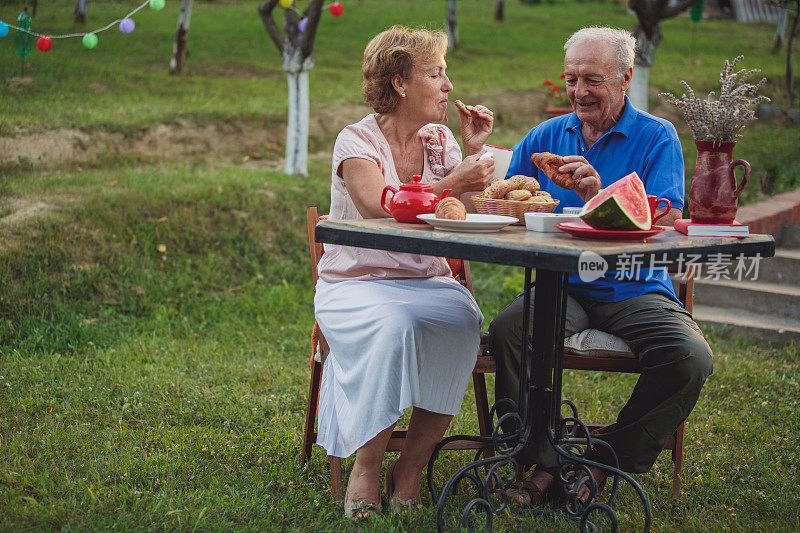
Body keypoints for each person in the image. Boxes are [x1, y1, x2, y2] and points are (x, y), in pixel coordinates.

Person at [488, 27, 714, 504]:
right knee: (510, 329)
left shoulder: (657, 137)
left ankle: (600, 461)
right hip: (563, 285)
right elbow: (504, 204)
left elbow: (667, 215)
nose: (579, 92)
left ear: (625, 78)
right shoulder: (545, 136)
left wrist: (599, 195)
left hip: (635, 286)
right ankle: (534, 457)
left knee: (691, 358)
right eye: (571, 79)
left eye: (593, 79)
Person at [314, 25, 496, 519]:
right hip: (356, 284)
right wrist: (453, 183)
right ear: (399, 82)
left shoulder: (440, 141)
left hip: (428, 280)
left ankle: (410, 470)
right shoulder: (355, 142)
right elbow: (378, 207)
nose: (448, 85)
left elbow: (471, 213)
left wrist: (475, 152)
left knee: (461, 324)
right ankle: (367, 468)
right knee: (394, 327)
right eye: (436, 74)